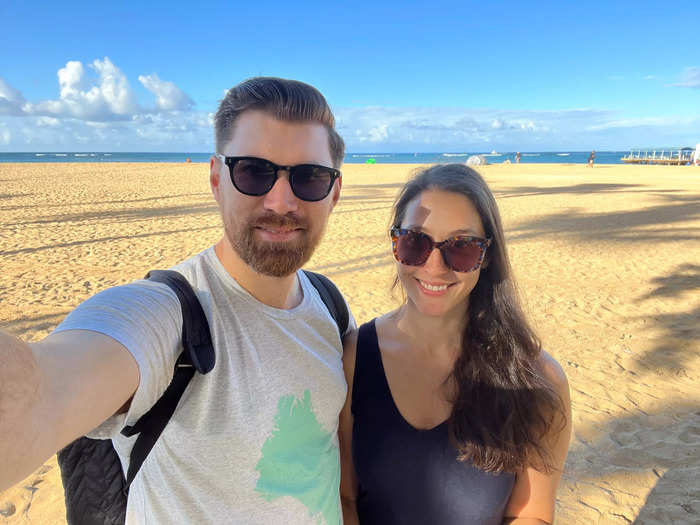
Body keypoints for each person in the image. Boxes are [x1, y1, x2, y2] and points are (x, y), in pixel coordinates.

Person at [0, 77, 354, 524]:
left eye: (310, 177)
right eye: (253, 171)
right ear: (215, 179)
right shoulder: (169, 313)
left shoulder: (330, 306)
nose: (280, 201)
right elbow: (40, 389)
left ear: (334, 193)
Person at [338, 164, 572, 524]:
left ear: (487, 256)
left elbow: (531, 514)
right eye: (415, 242)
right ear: (395, 244)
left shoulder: (537, 379)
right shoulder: (355, 359)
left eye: (461, 247)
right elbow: (345, 498)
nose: (435, 267)